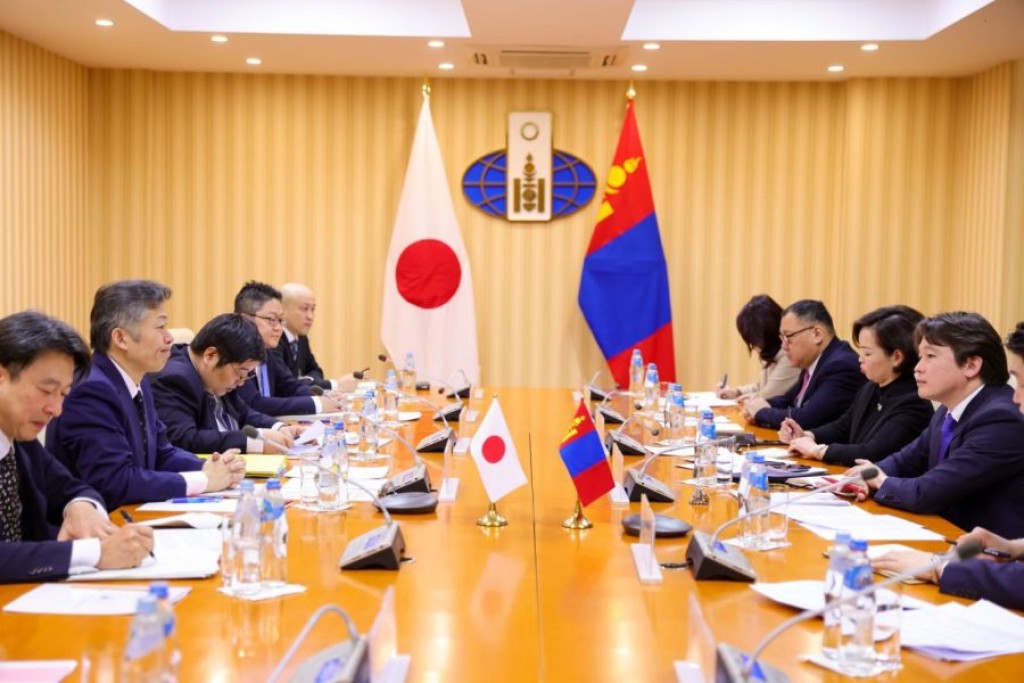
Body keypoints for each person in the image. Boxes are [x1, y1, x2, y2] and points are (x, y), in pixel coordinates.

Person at [47, 281, 245, 509]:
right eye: (160, 327)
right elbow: (115, 482)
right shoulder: (91, 390)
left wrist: (210, 467)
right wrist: (204, 480)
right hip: (98, 522)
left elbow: (162, 453)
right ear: (121, 338)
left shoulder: (138, 380)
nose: (169, 338)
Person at [0, 311, 153, 583]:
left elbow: (72, 488)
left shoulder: (22, 442)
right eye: (47, 391)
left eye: (63, 394)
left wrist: (80, 507)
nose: (56, 409)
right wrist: (93, 554)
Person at [848, 313, 1024, 538]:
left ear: (971, 365)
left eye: (930, 356)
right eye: (920, 357)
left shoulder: (1001, 419)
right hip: (947, 536)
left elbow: (926, 493)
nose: (918, 368)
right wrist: (864, 477)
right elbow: (904, 460)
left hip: (986, 552)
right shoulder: (948, 409)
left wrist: (881, 483)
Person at [781, 305, 934, 466]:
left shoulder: (913, 402)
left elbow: (872, 453)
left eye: (867, 353)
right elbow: (842, 428)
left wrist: (818, 450)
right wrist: (807, 435)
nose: (860, 359)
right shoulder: (872, 387)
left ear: (896, 357)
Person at [150, 314, 300, 455]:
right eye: (240, 372)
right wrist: (254, 442)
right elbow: (185, 440)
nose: (241, 382)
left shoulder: (218, 375)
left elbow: (244, 414)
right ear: (210, 355)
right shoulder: (174, 378)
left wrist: (278, 427)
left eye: (247, 375)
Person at [740, 299, 865, 430]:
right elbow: (788, 400)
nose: (784, 346)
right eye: (782, 338)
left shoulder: (841, 366)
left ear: (817, 334)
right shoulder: (813, 360)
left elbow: (805, 419)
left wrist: (761, 413)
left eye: (788, 337)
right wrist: (760, 404)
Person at [233, 281, 341, 416]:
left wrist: (325, 396)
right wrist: (316, 404)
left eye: (280, 320)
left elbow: (288, 386)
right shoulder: (235, 353)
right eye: (271, 319)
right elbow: (255, 404)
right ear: (245, 319)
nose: (278, 328)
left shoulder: (266, 350)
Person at [717, 294, 800, 401]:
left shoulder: (789, 355)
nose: (754, 347)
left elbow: (768, 396)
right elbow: (762, 387)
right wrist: (737, 391)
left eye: (754, 341)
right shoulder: (772, 352)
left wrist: (750, 397)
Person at [278, 282, 357, 392]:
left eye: (313, 309)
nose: (310, 316)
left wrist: (305, 380)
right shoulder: (274, 339)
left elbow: (316, 370)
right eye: (304, 309)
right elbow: (286, 385)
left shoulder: (301, 338)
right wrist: (335, 384)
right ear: (282, 311)